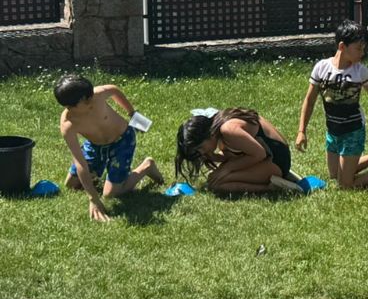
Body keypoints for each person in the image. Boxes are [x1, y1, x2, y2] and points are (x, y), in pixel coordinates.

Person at [296, 19, 368, 189]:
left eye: (363, 48)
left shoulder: (360, 71)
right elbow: (309, 100)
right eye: (358, 48)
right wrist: (302, 131)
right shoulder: (321, 68)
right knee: (334, 175)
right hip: (333, 131)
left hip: (353, 130)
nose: (362, 53)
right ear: (342, 47)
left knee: (345, 184)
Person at [55, 74, 164, 222]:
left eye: (90, 97)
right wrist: (93, 198)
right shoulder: (68, 124)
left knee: (110, 194)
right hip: (95, 146)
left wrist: (132, 113)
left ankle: (147, 166)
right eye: (68, 106)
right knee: (71, 185)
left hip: (122, 140)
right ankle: (98, 175)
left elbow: (114, 90)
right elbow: (80, 162)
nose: (91, 101)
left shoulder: (97, 95)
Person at [175, 108, 302, 195]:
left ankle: (273, 188)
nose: (202, 152)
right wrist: (216, 157)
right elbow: (237, 154)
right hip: (269, 158)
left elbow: (259, 154)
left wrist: (227, 169)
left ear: (207, 135)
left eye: (200, 148)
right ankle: (274, 178)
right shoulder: (219, 123)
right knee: (214, 177)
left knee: (218, 184)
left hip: (277, 161)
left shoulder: (228, 130)